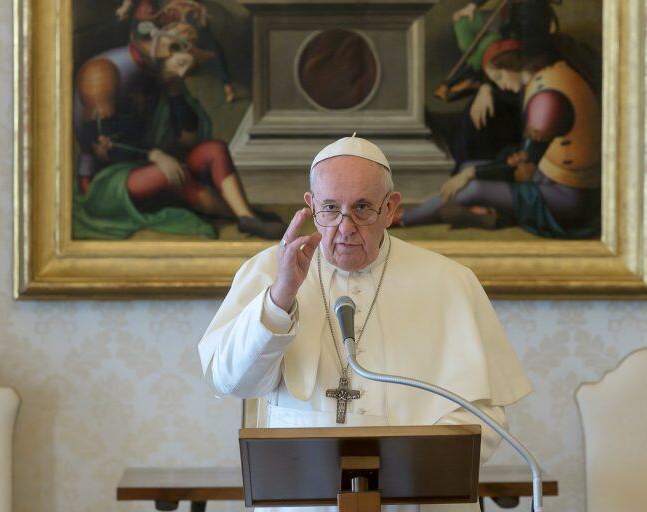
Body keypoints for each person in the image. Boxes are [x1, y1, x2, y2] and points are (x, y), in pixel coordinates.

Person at [198, 136, 532, 512]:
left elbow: (482, 415)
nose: (345, 227)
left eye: (361, 209)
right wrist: (280, 298)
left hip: (415, 506)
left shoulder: (450, 281)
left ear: (390, 208)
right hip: (302, 504)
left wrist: (407, 472)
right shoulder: (268, 272)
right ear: (310, 206)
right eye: (329, 208)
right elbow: (228, 379)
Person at [72, 15, 284, 240]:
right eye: (182, 63)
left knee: (214, 149)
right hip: (104, 181)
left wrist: (174, 92)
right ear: (166, 47)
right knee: (170, 174)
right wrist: (155, 155)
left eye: (188, 69)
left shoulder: (161, 74)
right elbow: (100, 143)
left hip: (149, 164)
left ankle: (245, 216)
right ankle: (240, 215)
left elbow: (187, 139)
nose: (183, 74)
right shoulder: (102, 72)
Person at [400, 34, 602, 239]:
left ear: (512, 65)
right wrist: (471, 171)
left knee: (473, 185)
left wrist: (471, 174)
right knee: (466, 168)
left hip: (568, 200)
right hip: (549, 179)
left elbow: (525, 168)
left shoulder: (546, 99)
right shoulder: (550, 74)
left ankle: (403, 218)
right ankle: (488, 214)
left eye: (499, 78)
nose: (502, 86)